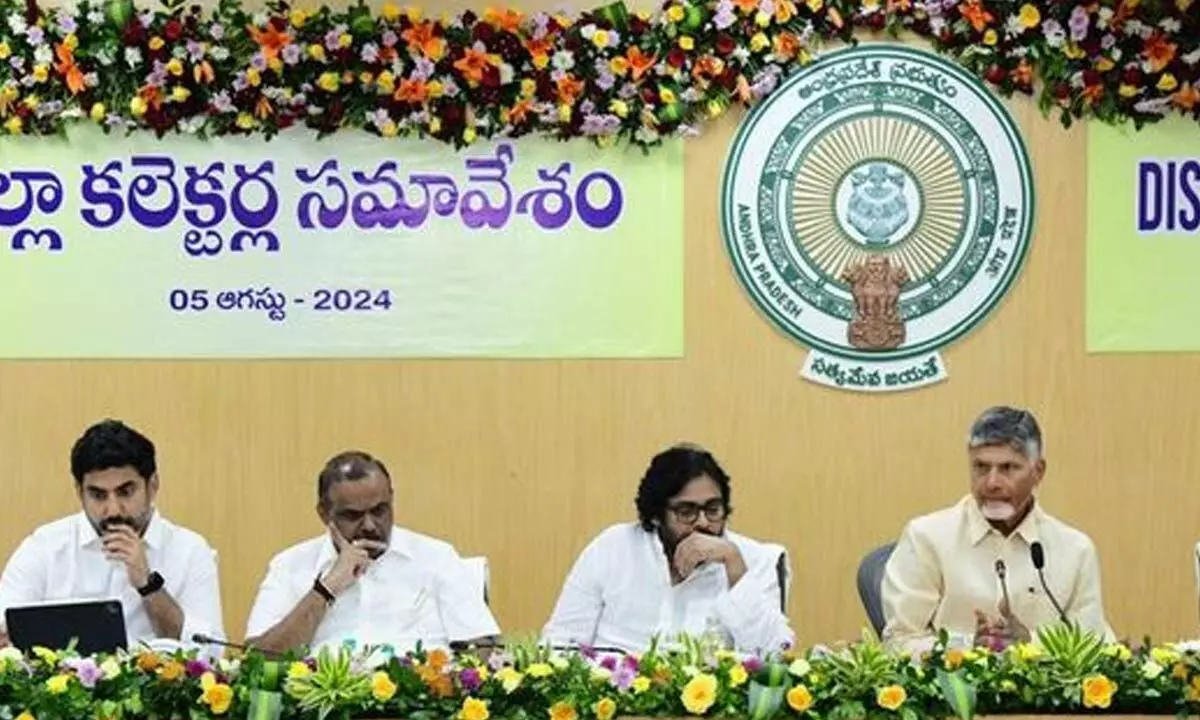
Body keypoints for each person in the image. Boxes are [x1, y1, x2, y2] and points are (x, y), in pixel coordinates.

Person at [881, 406, 1114, 653]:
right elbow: (898, 642)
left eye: (1008, 468)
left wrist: (1030, 644)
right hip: (949, 688)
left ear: (1038, 472)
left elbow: (1094, 646)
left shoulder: (1075, 550)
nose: (992, 483)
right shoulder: (925, 538)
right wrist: (968, 647)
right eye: (981, 467)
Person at [542, 443, 794, 655]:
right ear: (656, 515)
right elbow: (562, 644)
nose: (703, 523)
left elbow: (772, 658)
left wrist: (735, 569)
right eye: (687, 512)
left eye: (713, 509)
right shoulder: (612, 548)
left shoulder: (756, 559)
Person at [245, 450, 500, 655]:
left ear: (392, 499)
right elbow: (259, 660)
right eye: (353, 515)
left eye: (379, 510)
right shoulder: (290, 565)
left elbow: (482, 646)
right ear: (324, 514)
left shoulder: (437, 558)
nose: (369, 525)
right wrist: (328, 587)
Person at [0, 419, 225, 649]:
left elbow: (211, 654)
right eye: (98, 495)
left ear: (153, 485)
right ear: (79, 492)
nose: (113, 510)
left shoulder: (191, 551)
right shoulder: (45, 547)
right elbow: (5, 627)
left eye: (126, 492)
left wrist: (147, 585)